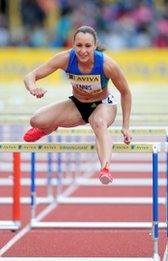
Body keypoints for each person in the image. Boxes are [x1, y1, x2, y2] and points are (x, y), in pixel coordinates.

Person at [23, 25, 132, 185]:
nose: (83, 51)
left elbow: (126, 92)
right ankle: (48, 128)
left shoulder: (107, 65)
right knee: (36, 121)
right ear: (73, 45)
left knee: (98, 123)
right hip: (77, 105)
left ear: (95, 46)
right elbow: (30, 76)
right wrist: (33, 88)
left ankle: (105, 168)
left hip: (103, 105)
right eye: (79, 46)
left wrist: (126, 126)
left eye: (88, 46)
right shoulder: (65, 58)